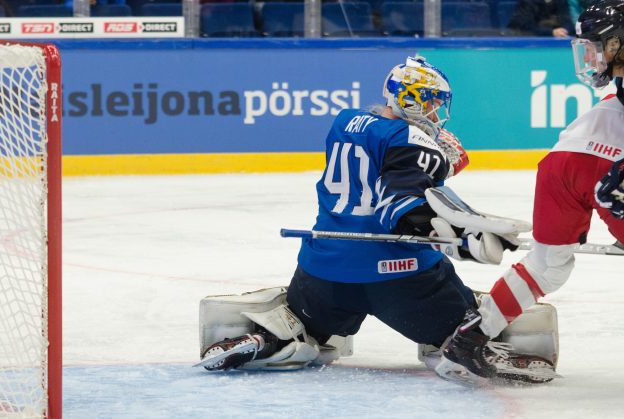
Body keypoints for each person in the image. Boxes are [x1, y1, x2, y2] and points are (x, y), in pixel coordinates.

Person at [198, 56, 522, 374]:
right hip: (402, 282)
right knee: (462, 328)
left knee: (310, 331)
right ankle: (456, 346)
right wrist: (461, 238)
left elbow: (375, 165)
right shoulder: (415, 139)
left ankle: (272, 339)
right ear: (413, 101)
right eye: (433, 103)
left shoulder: (344, 121)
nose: (438, 113)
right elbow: (399, 208)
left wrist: (433, 167)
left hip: (322, 276)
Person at [435, 0, 624, 385]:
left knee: (547, 265)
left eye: (598, 44)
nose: (591, 54)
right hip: (605, 165)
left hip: (562, 161)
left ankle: (470, 340)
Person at [506, 0, 593, 37]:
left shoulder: (560, 1)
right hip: (528, 43)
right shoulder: (528, 2)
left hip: (555, 42)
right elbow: (523, 26)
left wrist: (565, 30)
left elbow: (567, 19)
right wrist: (551, 32)